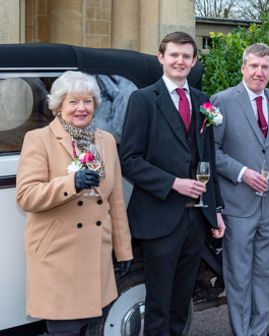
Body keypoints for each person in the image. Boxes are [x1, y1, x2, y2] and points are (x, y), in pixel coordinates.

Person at [119, 31, 225, 336]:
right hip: (159, 217)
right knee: (158, 304)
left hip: (195, 220)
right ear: (161, 58)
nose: (180, 61)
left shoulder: (203, 102)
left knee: (182, 303)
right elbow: (130, 159)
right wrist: (173, 183)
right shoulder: (142, 99)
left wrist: (215, 211)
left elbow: (208, 161)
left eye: (186, 56)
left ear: (193, 61)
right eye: (174, 55)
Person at [16, 71, 133, 336]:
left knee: (92, 328)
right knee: (64, 330)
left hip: (97, 257)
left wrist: (123, 250)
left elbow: (115, 201)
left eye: (88, 101)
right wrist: (72, 183)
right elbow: (27, 195)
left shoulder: (105, 140)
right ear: (58, 105)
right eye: (73, 102)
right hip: (59, 258)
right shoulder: (38, 140)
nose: (81, 108)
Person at [211, 43, 269, 336]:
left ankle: (259, 330)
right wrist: (241, 173)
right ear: (243, 67)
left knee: (266, 274)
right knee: (239, 276)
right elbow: (210, 151)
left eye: (265, 67)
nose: (259, 72)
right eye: (254, 66)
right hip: (238, 204)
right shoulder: (222, 101)